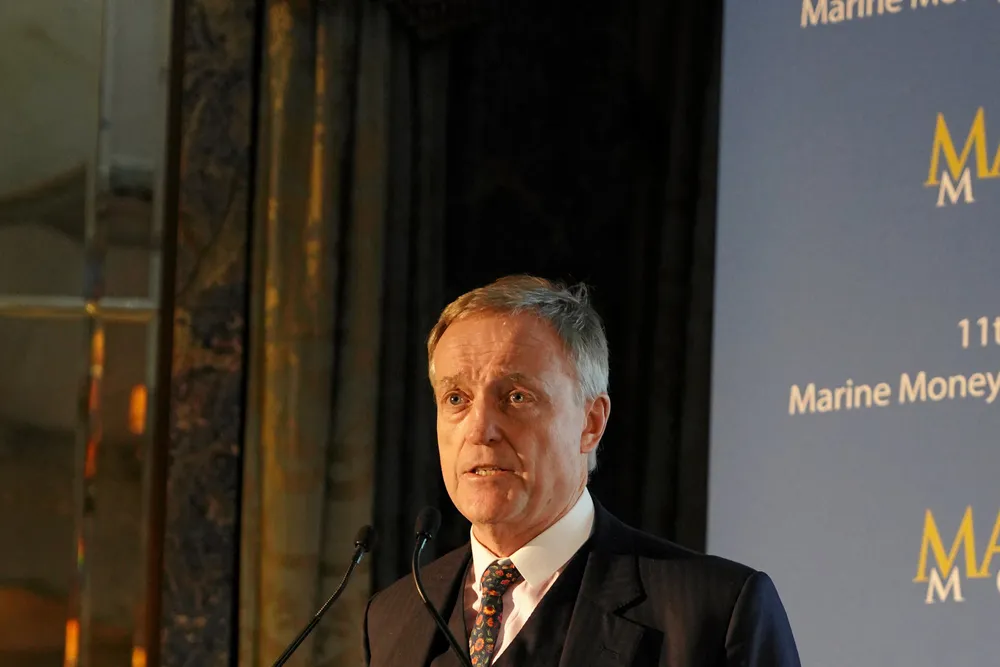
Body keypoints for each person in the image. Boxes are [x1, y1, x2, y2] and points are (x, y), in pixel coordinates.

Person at [363, 275, 800, 667]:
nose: (479, 430)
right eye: (456, 399)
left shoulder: (715, 612)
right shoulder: (391, 616)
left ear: (590, 423)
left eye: (516, 397)